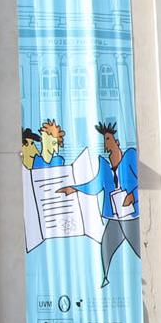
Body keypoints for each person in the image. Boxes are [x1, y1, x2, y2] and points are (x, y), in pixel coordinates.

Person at [58, 121, 139, 287]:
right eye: (104, 140)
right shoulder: (104, 163)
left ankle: (137, 278)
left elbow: (139, 180)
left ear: (116, 141)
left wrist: (132, 195)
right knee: (106, 246)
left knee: (137, 247)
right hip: (114, 216)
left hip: (130, 214)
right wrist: (74, 189)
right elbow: (95, 185)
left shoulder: (129, 156)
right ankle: (105, 278)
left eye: (108, 139)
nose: (106, 143)